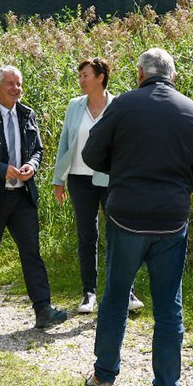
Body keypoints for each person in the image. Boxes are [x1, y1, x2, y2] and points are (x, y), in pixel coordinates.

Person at [80, 48, 193, 386]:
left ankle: (104, 377)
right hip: (172, 219)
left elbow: (92, 154)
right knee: (169, 305)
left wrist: (121, 168)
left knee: (115, 297)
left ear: (140, 73)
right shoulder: (192, 110)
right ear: (174, 75)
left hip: (126, 215)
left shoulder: (122, 105)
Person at [0, 65, 68, 330]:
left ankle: (43, 309)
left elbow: (38, 150)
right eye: (10, 84)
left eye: (19, 84)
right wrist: (0, 170)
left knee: (32, 252)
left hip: (22, 197)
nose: (16, 89)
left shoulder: (27, 114)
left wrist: (32, 165)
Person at [53, 58, 143, 314]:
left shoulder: (118, 105)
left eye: (85, 75)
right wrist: (58, 180)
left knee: (119, 235)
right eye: (79, 76)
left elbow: (126, 145)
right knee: (86, 236)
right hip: (79, 180)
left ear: (100, 77)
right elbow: (65, 142)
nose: (81, 80)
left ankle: (126, 292)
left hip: (111, 179)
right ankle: (89, 294)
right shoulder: (74, 106)